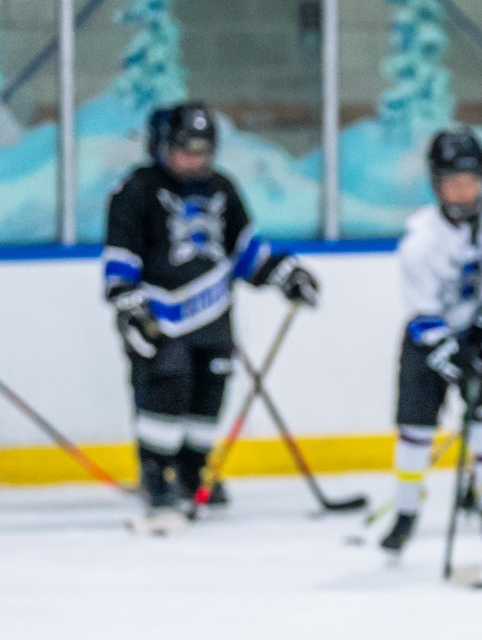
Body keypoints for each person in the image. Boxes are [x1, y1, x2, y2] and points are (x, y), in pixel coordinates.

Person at [102, 102, 319, 524]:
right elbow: (120, 258)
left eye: (203, 152)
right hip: (159, 317)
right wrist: (128, 303)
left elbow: (247, 253)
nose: (194, 160)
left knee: (209, 394)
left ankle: (191, 471)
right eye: (185, 151)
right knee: (167, 387)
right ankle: (157, 473)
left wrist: (285, 274)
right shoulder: (137, 189)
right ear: (162, 145)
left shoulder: (222, 188)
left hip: (214, 316)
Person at [379, 127, 482, 557]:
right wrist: (452, 357)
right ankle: (405, 515)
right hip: (427, 341)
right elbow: (422, 316)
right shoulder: (420, 241)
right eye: (453, 182)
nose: (463, 192)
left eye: (470, 181)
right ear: (436, 184)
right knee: (414, 433)